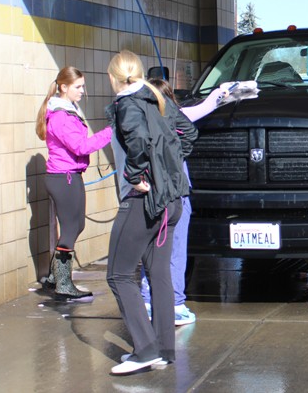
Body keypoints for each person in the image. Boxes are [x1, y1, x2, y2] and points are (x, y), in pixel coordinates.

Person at [105, 51, 197, 375]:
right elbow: (189, 134)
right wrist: (169, 172)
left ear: (114, 77)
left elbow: (139, 141)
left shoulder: (125, 102)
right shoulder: (158, 98)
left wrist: (138, 176)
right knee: (158, 273)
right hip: (173, 202)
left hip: (144, 202)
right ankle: (163, 350)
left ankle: (144, 350)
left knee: (118, 274)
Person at [139, 78, 228, 326]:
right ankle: (176, 304)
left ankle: (147, 301)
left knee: (150, 250)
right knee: (176, 250)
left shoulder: (141, 122)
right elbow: (208, 105)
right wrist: (224, 92)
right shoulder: (178, 117)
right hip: (177, 194)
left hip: (149, 194)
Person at [36, 66, 112, 300]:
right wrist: (112, 131)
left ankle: (54, 278)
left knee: (76, 225)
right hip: (63, 177)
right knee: (71, 228)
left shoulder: (69, 111)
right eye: (78, 87)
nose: (82, 91)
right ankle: (63, 283)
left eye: (82, 86)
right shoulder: (60, 116)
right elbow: (81, 146)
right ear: (64, 87)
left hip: (70, 175)